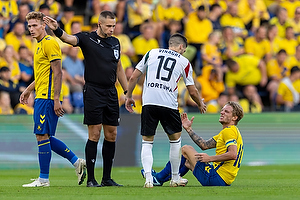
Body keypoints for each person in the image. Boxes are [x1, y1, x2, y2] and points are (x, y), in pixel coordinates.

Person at [44, 10, 128, 187]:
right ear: (99, 24)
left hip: (111, 92)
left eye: (114, 26)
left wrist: (127, 92)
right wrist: (57, 29)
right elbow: (69, 39)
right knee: (95, 133)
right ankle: (91, 179)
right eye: (109, 26)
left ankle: (107, 178)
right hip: (93, 91)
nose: (112, 29)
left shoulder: (116, 42)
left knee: (111, 135)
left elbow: (119, 66)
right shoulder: (87, 39)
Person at [125, 33, 207, 188]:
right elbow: (192, 90)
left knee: (147, 142)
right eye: (184, 50)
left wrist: (128, 96)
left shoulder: (152, 53)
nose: (183, 52)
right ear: (181, 47)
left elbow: (133, 77)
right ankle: (175, 178)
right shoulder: (184, 61)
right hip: (168, 104)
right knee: (175, 141)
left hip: (148, 103)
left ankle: (148, 179)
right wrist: (200, 104)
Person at [20, 11, 86, 187]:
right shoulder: (40, 45)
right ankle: (76, 162)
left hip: (48, 97)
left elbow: (58, 72)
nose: (31, 29)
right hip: (42, 94)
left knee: (42, 136)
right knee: (45, 136)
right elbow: (43, 74)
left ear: (44, 25)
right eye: (29, 26)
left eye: (35, 25)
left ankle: (43, 179)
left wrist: (56, 99)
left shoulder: (50, 43)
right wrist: (28, 90)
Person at [146, 101, 244, 186]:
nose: (222, 112)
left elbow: (232, 154)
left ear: (234, 117)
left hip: (216, 177)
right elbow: (204, 145)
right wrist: (189, 129)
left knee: (185, 149)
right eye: (222, 110)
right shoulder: (230, 131)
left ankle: (159, 178)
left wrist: (209, 158)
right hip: (223, 180)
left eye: (226, 111)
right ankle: (171, 179)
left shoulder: (229, 131)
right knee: (187, 161)